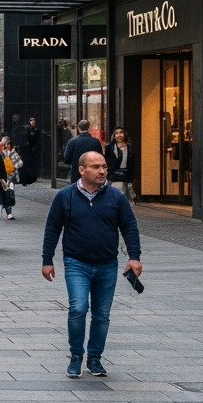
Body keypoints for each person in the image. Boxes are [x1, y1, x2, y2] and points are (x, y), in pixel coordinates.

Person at [42, 151, 142, 379]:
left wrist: (134, 256)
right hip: (76, 263)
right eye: (96, 167)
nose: (102, 171)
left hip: (107, 264)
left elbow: (129, 227)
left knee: (101, 314)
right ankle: (76, 356)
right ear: (81, 170)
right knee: (78, 309)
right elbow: (52, 228)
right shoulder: (65, 196)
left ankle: (95, 358)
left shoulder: (116, 197)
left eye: (104, 167)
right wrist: (47, 260)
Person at [63, 119, 102, 184]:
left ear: (78, 128)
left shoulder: (72, 141)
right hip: (92, 173)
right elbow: (100, 158)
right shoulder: (96, 142)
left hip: (76, 173)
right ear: (89, 127)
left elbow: (66, 159)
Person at [105, 127, 133, 202]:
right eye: (116, 133)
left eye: (121, 132)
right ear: (114, 136)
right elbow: (107, 162)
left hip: (126, 176)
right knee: (116, 199)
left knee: (126, 200)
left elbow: (132, 163)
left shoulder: (129, 147)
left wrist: (132, 178)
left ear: (124, 134)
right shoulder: (110, 147)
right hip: (114, 177)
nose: (119, 135)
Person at [0, 136, 22, 219]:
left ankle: (9, 212)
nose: (7, 145)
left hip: (11, 177)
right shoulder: (2, 153)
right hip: (3, 177)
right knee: (5, 193)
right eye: (5, 144)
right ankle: (6, 211)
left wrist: (13, 166)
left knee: (9, 193)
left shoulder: (13, 153)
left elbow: (20, 163)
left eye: (8, 144)